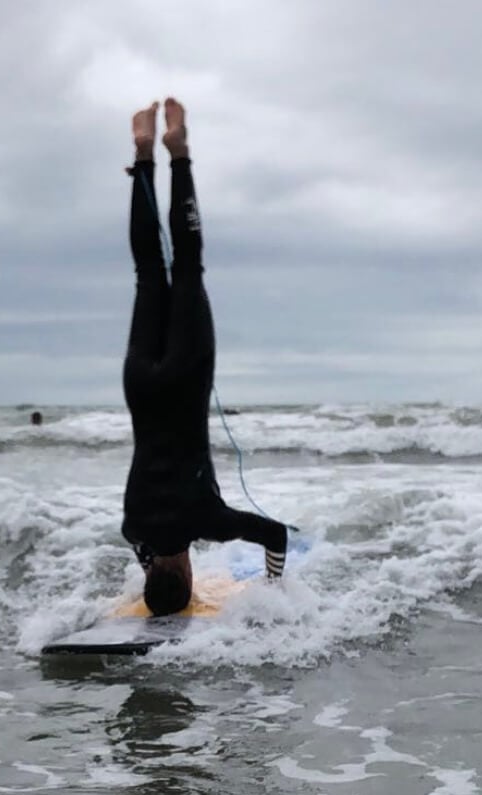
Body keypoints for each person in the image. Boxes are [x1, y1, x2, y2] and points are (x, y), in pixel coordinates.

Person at [120, 98, 288, 617]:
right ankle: (145, 155)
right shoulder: (134, 529)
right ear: (153, 571)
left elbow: (276, 535)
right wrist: (153, 569)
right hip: (141, 383)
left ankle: (180, 154)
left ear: (187, 574)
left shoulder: (206, 520)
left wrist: (272, 586)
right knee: (150, 271)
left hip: (186, 377)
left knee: (187, 266)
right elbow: (146, 549)